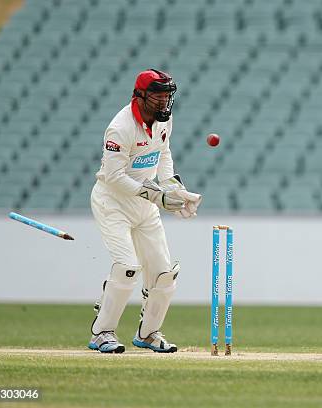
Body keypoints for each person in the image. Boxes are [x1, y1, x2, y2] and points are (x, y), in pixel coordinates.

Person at [88, 69, 202, 353]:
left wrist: (173, 188)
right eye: (158, 96)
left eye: (167, 96)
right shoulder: (120, 128)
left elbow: (163, 153)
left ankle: (149, 333)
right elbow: (114, 177)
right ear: (139, 96)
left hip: (144, 206)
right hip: (112, 203)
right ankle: (102, 332)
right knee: (128, 267)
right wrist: (157, 196)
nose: (164, 103)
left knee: (164, 275)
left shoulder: (164, 120)